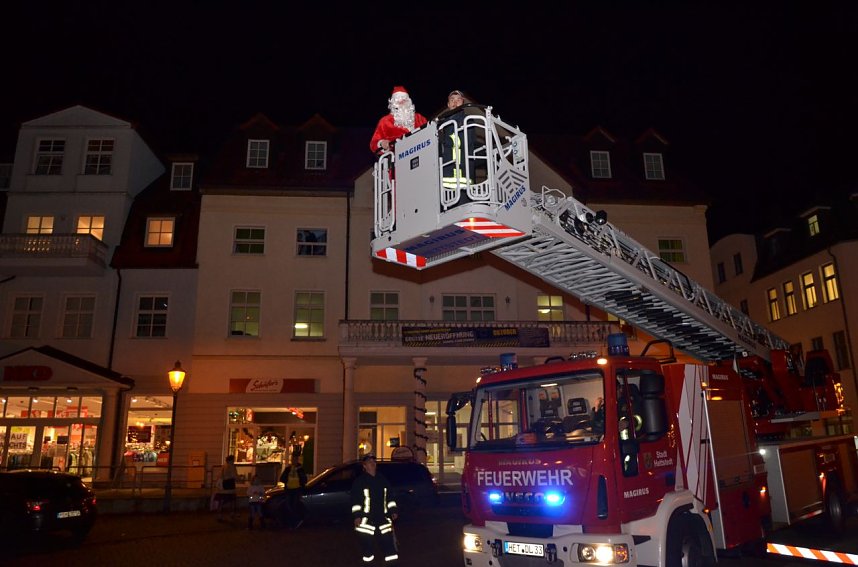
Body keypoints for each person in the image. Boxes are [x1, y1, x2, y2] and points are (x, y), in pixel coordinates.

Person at [350, 454, 399, 564]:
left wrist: (393, 510)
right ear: (364, 466)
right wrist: (357, 516)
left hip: (383, 520)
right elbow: (355, 501)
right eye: (369, 462)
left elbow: (390, 497)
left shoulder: (382, 480)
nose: (372, 463)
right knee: (368, 552)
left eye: (374, 461)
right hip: (366, 522)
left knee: (390, 550)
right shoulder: (360, 482)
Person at [369, 86, 427, 154]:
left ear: (409, 101)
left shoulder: (420, 118)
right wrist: (381, 143)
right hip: (398, 158)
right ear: (393, 103)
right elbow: (373, 144)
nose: (402, 102)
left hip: (422, 154)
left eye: (404, 99)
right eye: (398, 100)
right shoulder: (385, 121)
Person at [279, 454, 308, 528]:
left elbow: (304, 480)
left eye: (295, 459)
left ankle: (294, 522)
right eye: (293, 459)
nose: (294, 461)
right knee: (289, 506)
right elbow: (282, 478)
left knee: (295, 505)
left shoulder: (300, 469)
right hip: (289, 489)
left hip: (297, 489)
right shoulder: (288, 468)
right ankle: (291, 522)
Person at [217, 455, 238, 519]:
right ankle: (232, 513)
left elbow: (220, 475)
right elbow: (234, 475)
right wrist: (238, 478)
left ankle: (219, 514)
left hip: (224, 484)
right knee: (232, 499)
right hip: (230, 484)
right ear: (231, 460)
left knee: (222, 500)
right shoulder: (231, 466)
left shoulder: (224, 466)